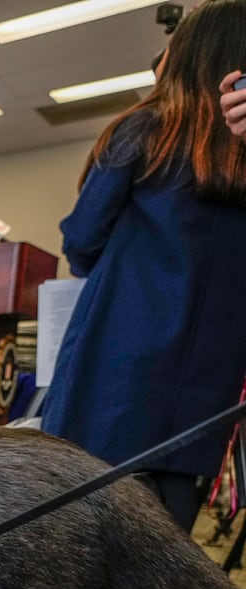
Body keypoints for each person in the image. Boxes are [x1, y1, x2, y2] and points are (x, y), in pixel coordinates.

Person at [43, 0, 246, 533]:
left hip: (116, 372)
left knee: (87, 538)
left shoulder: (145, 129)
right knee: (167, 551)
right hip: (208, 385)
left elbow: (82, 242)